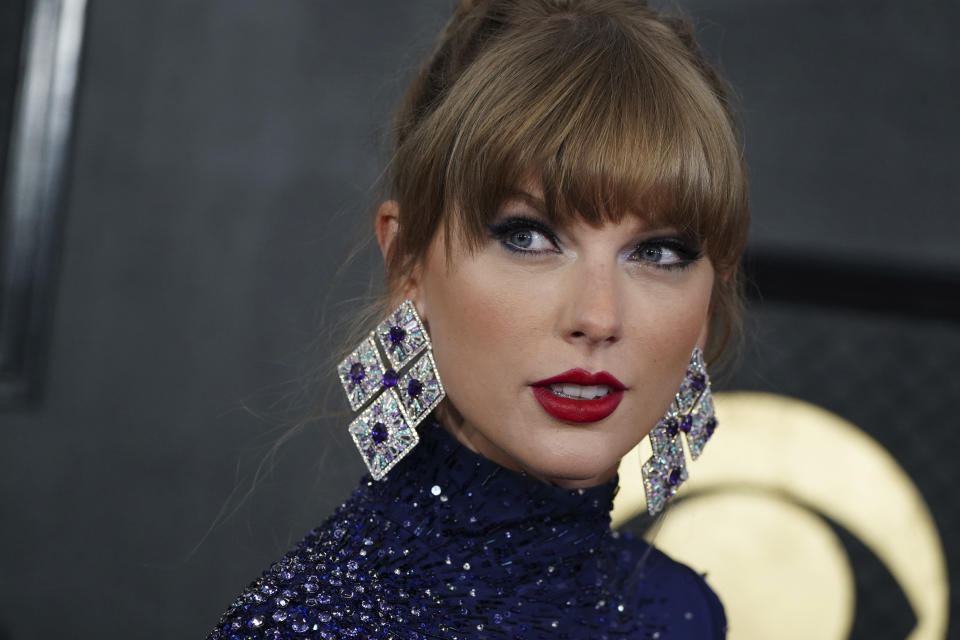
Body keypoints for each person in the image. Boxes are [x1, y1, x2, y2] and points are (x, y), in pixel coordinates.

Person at [208, 0, 748, 638]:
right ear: (408, 265)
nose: (598, 316)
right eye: (528, 237)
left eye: (658, 252)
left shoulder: (682, 612)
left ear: (710, 298)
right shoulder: (309, 627)